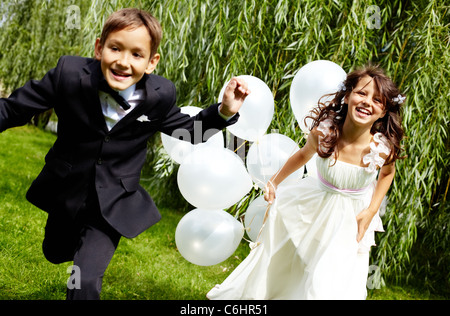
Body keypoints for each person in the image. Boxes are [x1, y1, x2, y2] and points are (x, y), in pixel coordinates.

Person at [0, 8, 249, 300]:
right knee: (55, 252)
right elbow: (14, 108)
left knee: (85, 281)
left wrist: (224, 112)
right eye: (115, 48)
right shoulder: (69, 74)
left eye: (136, 54)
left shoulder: (160, 95)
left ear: (151, 62)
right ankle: (68, 245)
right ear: (99, 48)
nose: (123, 61)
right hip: (67, 189)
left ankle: (86, 265)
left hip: (113, 201)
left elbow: (189, 133)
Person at [207, 65, 405, 300]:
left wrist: (371, 210)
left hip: (350, 218)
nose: (367, 102)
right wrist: (274, 182)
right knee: (294, 260)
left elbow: (387, 174)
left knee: (333, 275)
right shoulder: (325, 133)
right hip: (315, 205)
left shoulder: (382, 148)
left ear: (383, 112)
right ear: (348, 96)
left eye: (377, 100)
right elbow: (302, 155)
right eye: (361, 93)